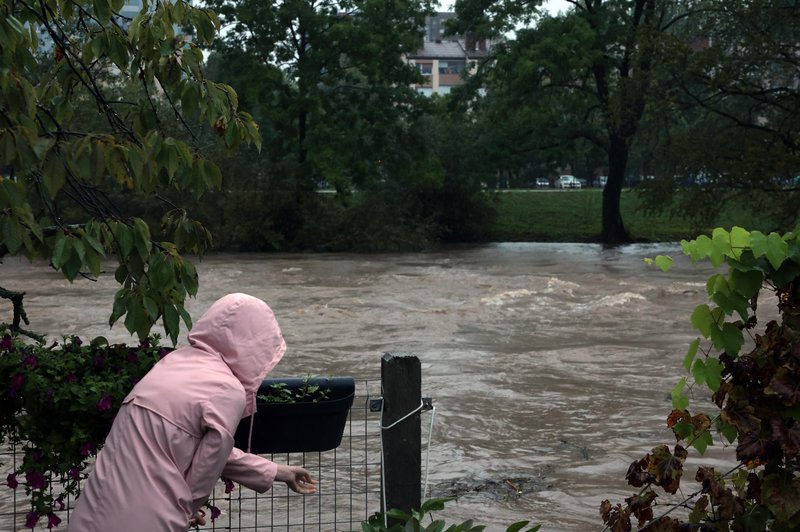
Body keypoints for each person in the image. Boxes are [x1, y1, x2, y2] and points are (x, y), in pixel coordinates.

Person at [68, 293, 316, 531]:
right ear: (253, 344)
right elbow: (205, 468)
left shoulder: (173, 363)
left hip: (94, 510)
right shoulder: (226, 389)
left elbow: (190, 446)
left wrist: (278, 472)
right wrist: (186, 509)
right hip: (147, 520)